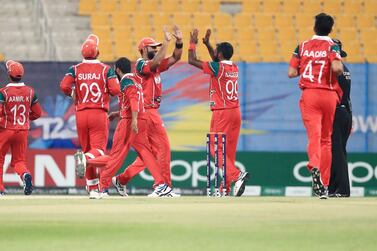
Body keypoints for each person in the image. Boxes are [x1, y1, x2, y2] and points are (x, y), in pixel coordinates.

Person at [88, 57, 174, 197]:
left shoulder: (126, 81)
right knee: (147, 154)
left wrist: (133, 120)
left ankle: (101, 186)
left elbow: (133, 100)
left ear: (117, 69)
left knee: (116, 156)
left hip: (129, 123)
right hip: (142, 119)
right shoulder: (135, 81)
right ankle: (161, 185)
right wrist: (118, 113)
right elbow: (131, 101)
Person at [111, 26, 183, 193]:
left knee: (149, 155)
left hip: (149, 112)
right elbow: (156, 61)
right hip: (148, 112)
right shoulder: (141, 64)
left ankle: (121, 179)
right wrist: (166, 43)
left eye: (157, 47)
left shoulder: (154, 66)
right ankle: (163, 187)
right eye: (153, 47)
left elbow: (175, 58)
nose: (156, 50)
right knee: (162, 149)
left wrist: (179, 43)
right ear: (143, 50)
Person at [187, 28, 249, 196]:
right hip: (235, 112)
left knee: (215, 148)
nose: (214, 53)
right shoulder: (234, 68)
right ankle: (225, 188)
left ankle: (237, 175)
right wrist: (207, 43)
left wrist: (192, 42)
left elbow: (191, 60)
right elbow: (216, 59)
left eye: (216, 51)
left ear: (220, 54)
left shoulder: (218, 69)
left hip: (222, 113)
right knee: (228, 152)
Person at [288, 13, 344, 199]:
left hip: (310, 94)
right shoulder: (332, 46)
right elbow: (336, 68)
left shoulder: (302, 46)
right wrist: (338, 68)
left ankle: (314, 166)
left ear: (314, 27)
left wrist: (307, 68)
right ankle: (325, 185)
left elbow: (291, 72)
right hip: (328, 95)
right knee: (326, 140)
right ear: (330, 29)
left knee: (314, 135)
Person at [60, 34, 120, 199]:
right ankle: (84, 159)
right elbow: (115, 90)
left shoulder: (75, 69)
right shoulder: (105, 69)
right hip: (98, 113)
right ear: (98, 52)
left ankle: (93, 189)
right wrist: (105, 92)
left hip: (80, 114)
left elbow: (64, 85)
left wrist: (74, 93)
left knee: (89, 150)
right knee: (97, 151)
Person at [0, 60, 42, 195]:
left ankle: (0, 189)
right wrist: (23, 118)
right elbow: (37, 113)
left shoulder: (3, 92)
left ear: (9, 75)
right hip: (22, 130)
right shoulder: (30, 91)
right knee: (19, 161)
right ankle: (25, 175)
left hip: (6, 130)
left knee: (0, 159)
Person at [329, 39, 352, 197]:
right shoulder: (345, 68)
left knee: (336, 152)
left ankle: (342, 190)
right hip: (345, 112)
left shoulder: (335, 70)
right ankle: (335, 189)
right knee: (339, 151)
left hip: (336, 112)